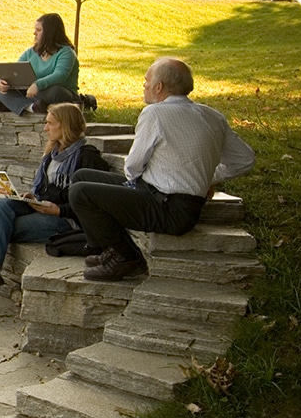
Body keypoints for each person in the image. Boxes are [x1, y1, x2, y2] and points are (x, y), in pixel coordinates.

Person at [68, 58, 255, 281]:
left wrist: (203, 178)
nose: (143, 85)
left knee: (80, 193)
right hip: (166, 198)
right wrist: (206, 178)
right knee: (82, 176)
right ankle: (109, 249)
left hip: (170, 208)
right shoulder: (212, 115)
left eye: (147, 81)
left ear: (159, 87)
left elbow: (133, 167)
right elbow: (245, 159)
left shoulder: (155, 113)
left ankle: (127, 257)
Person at [0, 103, 110, 307]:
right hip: (43, 208)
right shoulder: (53, 154)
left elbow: (93, 203)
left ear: (65, 126)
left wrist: (59, 210)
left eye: (50, 123)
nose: (45, 128)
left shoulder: (87, 158)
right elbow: (49, 190)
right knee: (3, 204)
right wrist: (32, 196)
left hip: (66, 221)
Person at [0, 13, 80, 115]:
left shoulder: (66, 52)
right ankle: (30, 107)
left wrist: (37, 85)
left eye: (39, 30)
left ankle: (13, 104)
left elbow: (60, 75)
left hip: (55, 93)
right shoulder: (30, 52)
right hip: (31, 93)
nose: (34, 33)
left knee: (55, 91)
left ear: (50, 33)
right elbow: (14, 71)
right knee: (0, 91)